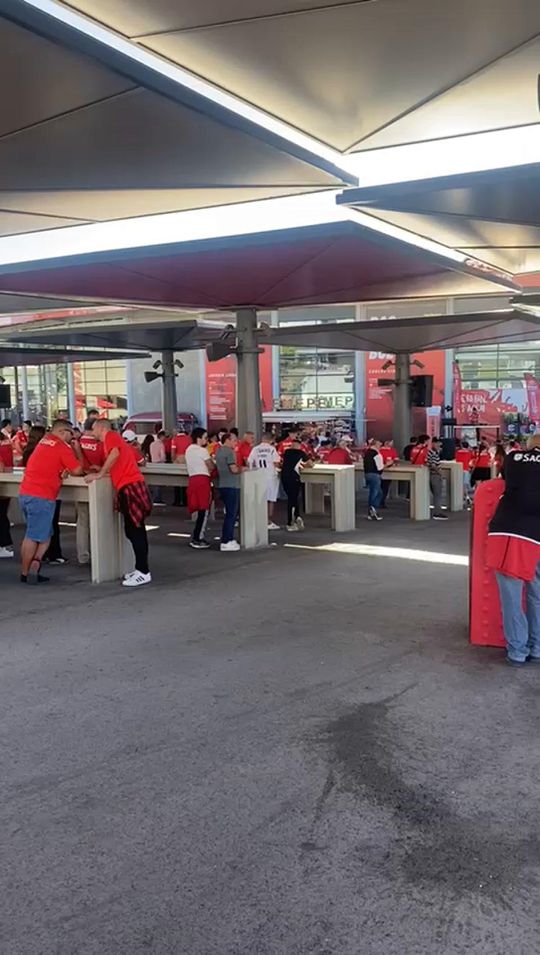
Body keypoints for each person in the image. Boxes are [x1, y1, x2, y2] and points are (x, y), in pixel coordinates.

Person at [486, 435, 540, 666]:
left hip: (511, 531)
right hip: (536, 533)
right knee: (537, 592)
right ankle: (537, 646)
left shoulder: (513, 457)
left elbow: (503, 483)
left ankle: (518, 651)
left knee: (511, 593)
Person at [86, 419, 152, 587]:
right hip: (128, 486)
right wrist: (101, 469)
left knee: (135, 530)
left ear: (101, 428)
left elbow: (115, 454)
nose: (92, 433)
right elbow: (117, 458)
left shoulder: (111, 436)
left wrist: (100, 473)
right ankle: (140, 569)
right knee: (132, 530)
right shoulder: (113, 440)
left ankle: (143, 571)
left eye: (93, 429)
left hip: (129, 486)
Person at [18, 419, 83, 583]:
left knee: (44, 534)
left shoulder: (44, 442)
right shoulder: (62, 447)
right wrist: (77, 450)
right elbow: (78, 470)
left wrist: (62, 470)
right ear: (62, 432)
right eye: (70, 433)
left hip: (26, 493)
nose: (72, 437)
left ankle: (35, 562)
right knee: (34, 536)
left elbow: (48, 464)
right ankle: (27, 571)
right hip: (42, 496)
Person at [76, 418, 105, 566]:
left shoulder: (76, 443)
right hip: (99, 486)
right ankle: (99, 552)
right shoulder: (101, 445)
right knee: (99, 521)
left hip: (80, 484)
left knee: (82, 522)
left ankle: (83, 555)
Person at [185, 427, 213, 549]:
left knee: (199, 509)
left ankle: (197, 536)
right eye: (205, 437)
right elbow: (211, 466)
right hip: (203, 480)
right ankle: (198, 537)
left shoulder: (188, 450)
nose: (207, 440)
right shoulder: (202, 451)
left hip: (192, 479)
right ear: (199, 438)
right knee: (204, 509)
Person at [248, 433, 281, 530]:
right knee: (270, 499)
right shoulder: (272, 449)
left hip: (258, 476)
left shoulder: (255, 449)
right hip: (270, 476)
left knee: (259, 499)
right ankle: (267, 521)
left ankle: (258, 519)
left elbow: (249, 461)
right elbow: (276, 463)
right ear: (271, 440)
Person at [215, 432, 242, 551]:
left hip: (222, 484)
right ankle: (227, 540)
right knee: (231, 514)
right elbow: (234, 469)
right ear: (228, 440)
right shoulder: (230, 452)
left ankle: (227, 539)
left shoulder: (219, 451)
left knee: (229, 514)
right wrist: (243, 469)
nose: (236, 442)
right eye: (234, 440)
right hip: (232, 485)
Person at [281, 437, 312, 531]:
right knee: (293, 499)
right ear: (299, 446)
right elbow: (310, 464)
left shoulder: (286, 452)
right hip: (294, 477)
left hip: (284, 477)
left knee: (292, 498)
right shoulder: (301, 453)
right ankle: (290, 522)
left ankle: (297, 516)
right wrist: (304, 465)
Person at [0, 423, 14, 558]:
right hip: (6, 479)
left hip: (3, 479)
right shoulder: (6, 441)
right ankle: (4, 545)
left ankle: (3, 545)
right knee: (2, 515)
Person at [426, 437, 448, 520]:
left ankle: (437, 511)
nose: (440, 445)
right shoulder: (433, 453)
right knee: (437, 494)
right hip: (435, 475)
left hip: (433, 474)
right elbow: (433, 465)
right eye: (438, 443)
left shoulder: (432, 452)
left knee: (436, 494)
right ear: (434, 443)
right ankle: (437, 512)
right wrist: (440, 473)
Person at [363, 439, 384, 520]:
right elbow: (380, 467)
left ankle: (371, 511)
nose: (380, 446)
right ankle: (373, 510)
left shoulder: (367, 452)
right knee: (376, 493)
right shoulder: (377, 454)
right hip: (375, 475)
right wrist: (388, 464)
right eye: (379, 445)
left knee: (376, 492)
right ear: (375, 445)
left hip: (367, 473)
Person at [171, 428, 191, 507]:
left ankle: (177, 500)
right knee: (186, 480)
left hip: (178, 459)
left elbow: (173, 452)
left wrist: (173, 461)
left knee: (176, 480)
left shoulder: (174, 439)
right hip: (187, 459)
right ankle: (186, 500)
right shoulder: (189, 439)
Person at [148, 429, 166, 505]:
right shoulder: (161, 444)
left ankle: (155, 498)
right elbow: (162, 456)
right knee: (159, 482)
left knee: (155, 481)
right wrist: (164, 460)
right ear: (162, 437)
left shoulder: (152, 444)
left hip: (153, 463)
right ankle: (157, 499)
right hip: (160, 463)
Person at [379, 439, 399, 508]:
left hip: (387, 470)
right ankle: (380, 501)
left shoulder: (392, 450)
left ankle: (381, 501)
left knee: (384, 487)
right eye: (391, 442)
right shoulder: (380, 450)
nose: (392, 444)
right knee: (383, 487)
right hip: (382, 470)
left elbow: (396, 459)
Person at [454, 440, 473, 507]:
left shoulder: (457, 452)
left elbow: (456, 460)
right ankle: (466, 496)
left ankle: (462, 497)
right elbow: (471, 460)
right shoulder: (469, 452)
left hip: (459, 469)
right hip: (466, 469)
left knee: (460, 484)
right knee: (465, 484)